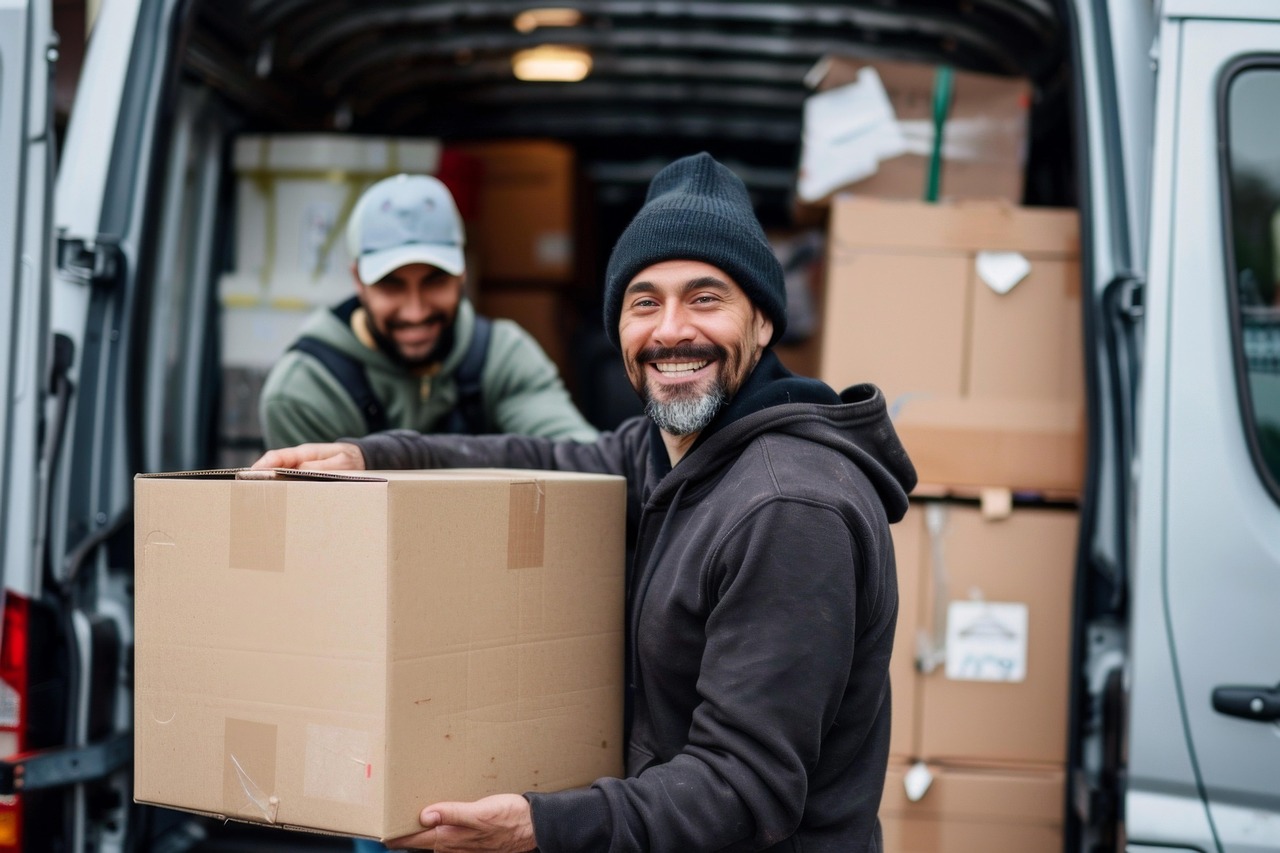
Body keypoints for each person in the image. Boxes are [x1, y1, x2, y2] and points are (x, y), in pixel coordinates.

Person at [255, 152, 916, 853]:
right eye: (644, 302)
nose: (670, 330)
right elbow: (544, 461)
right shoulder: (671, 452)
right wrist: (376, 457)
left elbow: (743, 788)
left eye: (705, 298)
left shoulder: (788, 507)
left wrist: (541, 825)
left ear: (763, 323)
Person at [258, 173, 598, 449]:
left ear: (463, 273)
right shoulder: (307, 390)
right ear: (358, 280)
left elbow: (579, 458)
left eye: (434, 282)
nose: (416, 311)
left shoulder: (502, 357)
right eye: (391, 285)